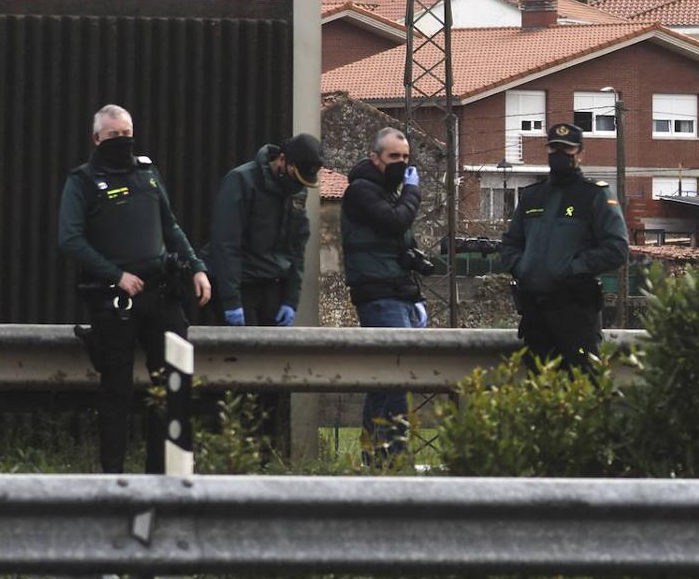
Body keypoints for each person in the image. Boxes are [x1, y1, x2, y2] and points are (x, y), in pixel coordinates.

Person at [58, 104, 211, 474]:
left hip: (162, 294)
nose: (121, 142)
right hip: (115, 301)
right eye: (113, 136)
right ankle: (113, 479)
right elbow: (70, 239)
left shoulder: (148, 174)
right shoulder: (82, 182)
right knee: (117, 392)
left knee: (173, 385)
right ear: (97, 138)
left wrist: (197, 268)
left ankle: (164, 475)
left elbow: (170, 227)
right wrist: (116, 275)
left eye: (126, 135)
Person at [500, 122, 628, 372]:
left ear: (580, 153)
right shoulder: (532, 196)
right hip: (535, 315)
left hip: (576, 314)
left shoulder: (594, 195)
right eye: (554, 148)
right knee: (540, 393)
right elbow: (511, 244)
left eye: (567, 149)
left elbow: (617, 248)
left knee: (582, 387)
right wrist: (522, 267)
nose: (559, 154)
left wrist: (573, 269)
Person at [341, 127, 430, 455]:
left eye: (406, 158)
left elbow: (399, 244)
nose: (401, 164)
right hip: (379, 296)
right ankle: (390, 455)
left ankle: (375, 454)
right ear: (375, 158)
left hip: (399, 293)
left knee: (386, 380)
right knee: (396, 376)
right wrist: (413, 192)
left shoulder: (389, 193)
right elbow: (395, 222)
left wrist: (416, 296)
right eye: (394, 157)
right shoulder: (362, 191)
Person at [205, 134, 322, 327]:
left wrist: (290, 301)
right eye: (295, 175)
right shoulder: (242, 181)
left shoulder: (296, 192)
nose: (297, 184)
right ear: (282, 160)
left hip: (274, 287)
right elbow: (226, 244)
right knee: (242, 355)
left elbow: (297, 248)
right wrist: (231, 301)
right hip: (243, 285)